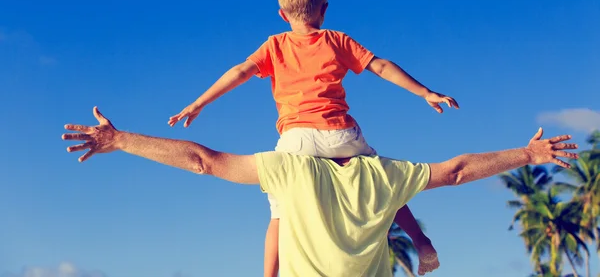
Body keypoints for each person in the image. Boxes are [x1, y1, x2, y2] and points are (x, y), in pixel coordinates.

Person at [167, 0, 459, 276]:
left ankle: (269, 275)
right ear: (324, 9)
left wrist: (199, 102)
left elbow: (240, 71)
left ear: (282, 15)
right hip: (341, 135)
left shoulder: (275, 45)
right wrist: (425, 92)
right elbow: (382, 67)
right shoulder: (337, 40)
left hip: (296, 142)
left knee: (279, 213)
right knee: (384, 182)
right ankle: (421, 242)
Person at [63, 107, 578, 277]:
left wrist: (120, 139)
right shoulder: (384, 173)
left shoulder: (289, 170)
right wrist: (527, 155)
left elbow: (204, 161)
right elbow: (458, 170)